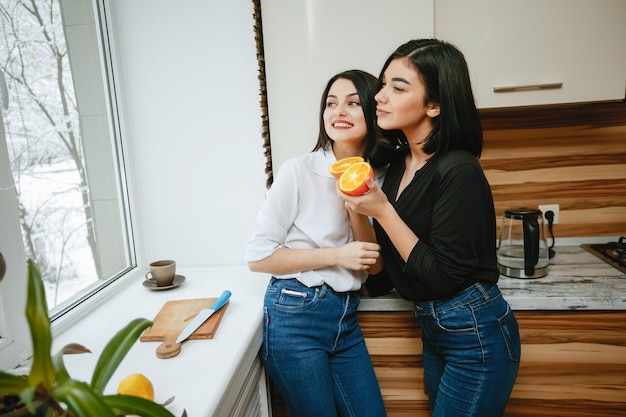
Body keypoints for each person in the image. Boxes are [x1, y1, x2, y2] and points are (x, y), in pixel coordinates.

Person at [338, 39, 521, 417]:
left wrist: (383, 211)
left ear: (434, 105)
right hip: (438, 330)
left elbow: (443, 278)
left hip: (475, 333)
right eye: (383, 84)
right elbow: (383, 275)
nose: (380, 97)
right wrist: (356, 207)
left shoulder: (460, 170)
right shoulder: (398, 168)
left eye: (398, 87)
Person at [245, 69, 393, 417]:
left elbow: (374, 266)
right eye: (331, 103)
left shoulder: (381, 178)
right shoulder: (298, 170)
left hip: (345, 317)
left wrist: (355, 199)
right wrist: (337, 255)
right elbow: (258, 256)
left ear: (374, 112)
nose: (339, 111)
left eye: (353, 103)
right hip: (295, 315)